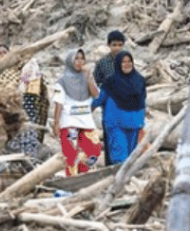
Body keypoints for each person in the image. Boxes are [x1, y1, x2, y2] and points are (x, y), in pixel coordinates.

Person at [53, 48, 102, 176]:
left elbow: (96, 94)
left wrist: (89, 77)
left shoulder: (87, 78)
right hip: (69, 122)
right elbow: (59, 103)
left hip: (86, 121)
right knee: (71, 155)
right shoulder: (62, 81)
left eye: (82, 59)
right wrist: (56, 123)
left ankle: (84, 175)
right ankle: (73, 179)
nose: (79, 62)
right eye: (76, 59)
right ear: (70, 61)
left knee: (94, 149)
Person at [93, 50, 147, 165]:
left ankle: (128, 176)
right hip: (116, 124)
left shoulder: (139, 81)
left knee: (132, 157)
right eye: (123, 62)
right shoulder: (110, 82)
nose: (127, 64)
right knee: (120, 157)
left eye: (129, 61)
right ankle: (119, 176)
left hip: (134, 124)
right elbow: (98, 99)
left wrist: (142, 123)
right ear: (118, 64)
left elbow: (142, 102)